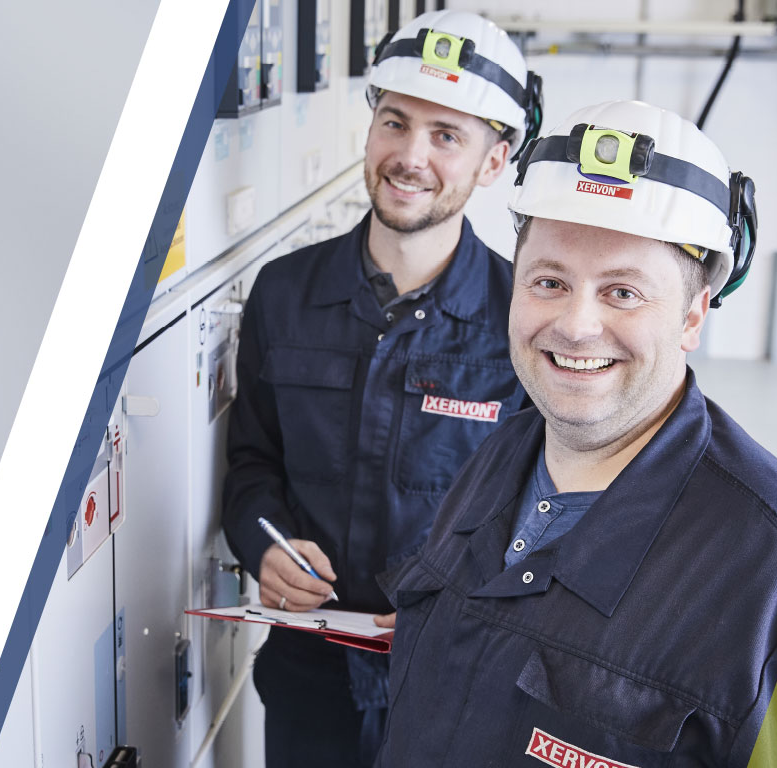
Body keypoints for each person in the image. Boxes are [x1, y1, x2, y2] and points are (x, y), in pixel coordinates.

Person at [376, 100, 777, 767]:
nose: (575, 326)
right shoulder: (500, 456)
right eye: (549, 281)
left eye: (622, 292)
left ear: (692, 314)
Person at [220, 9, 544, 766]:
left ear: (492, 163)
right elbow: (251, 466)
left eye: (446, 136)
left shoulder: (521, 324)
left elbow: (553, 511)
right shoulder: (285, 294)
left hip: (455, 685)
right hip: (310, 680)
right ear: (369, 128)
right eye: (395, 122)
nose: (410, 156)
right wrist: (260, 545)